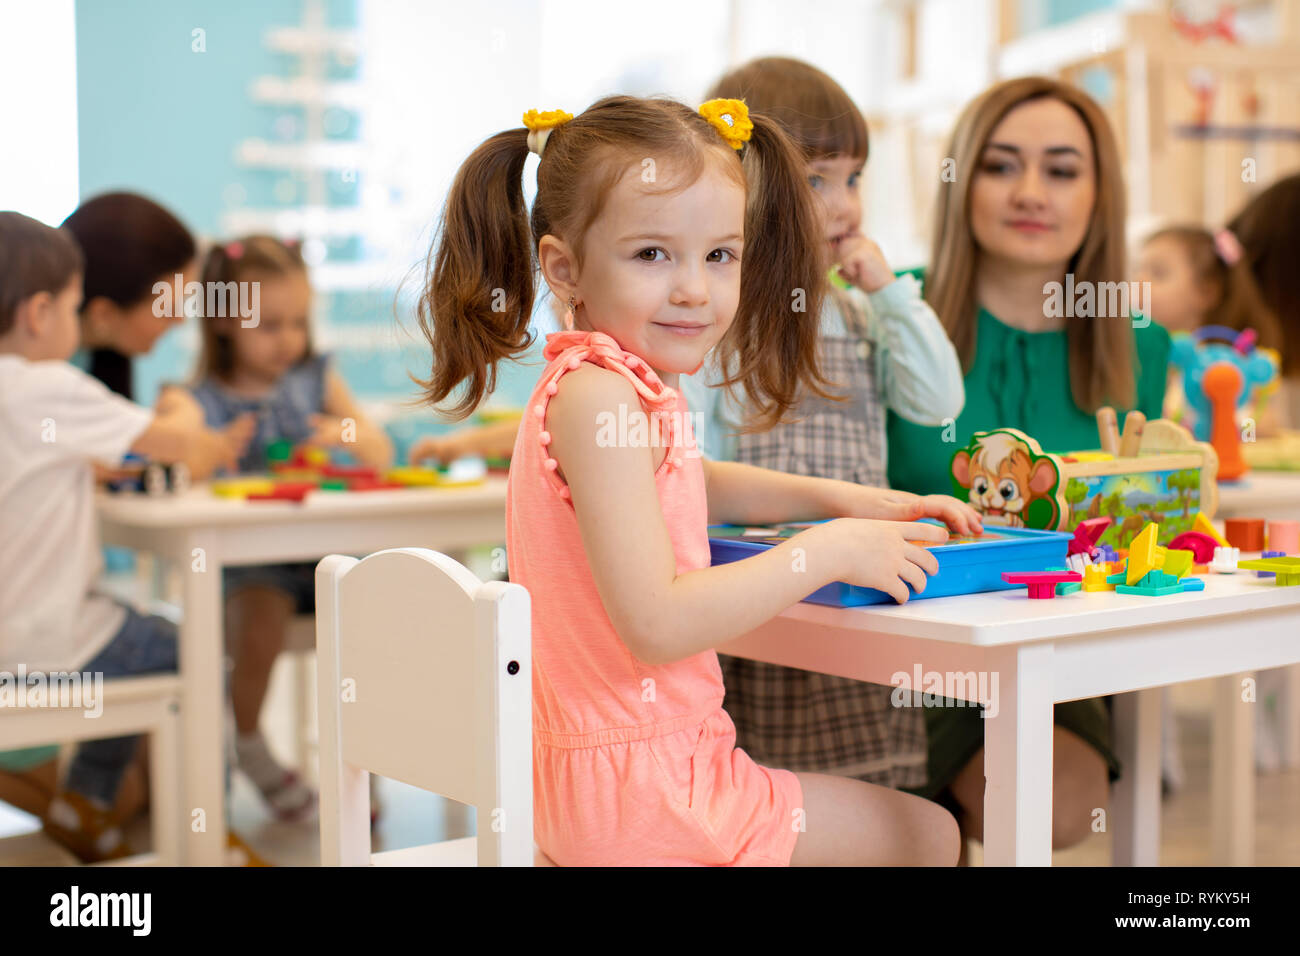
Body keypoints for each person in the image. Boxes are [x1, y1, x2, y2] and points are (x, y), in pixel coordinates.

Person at [417, 96, 982, 865]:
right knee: (930, 833)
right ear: (564, 267)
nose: (694, 289)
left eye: (720, 255)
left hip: (601, 781)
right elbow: (658, 621)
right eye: (653, 254)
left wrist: (844, 501)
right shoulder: (600, 395)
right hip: (648, 794)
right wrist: (829, 550)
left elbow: (693, 478)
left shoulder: (613, 382)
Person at [887, 77, 1172, 857]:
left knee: (1051, 808)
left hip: (1049, 648)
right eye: (1001, 165)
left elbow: (1141, 525)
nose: (1031, 193)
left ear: (1098, 192)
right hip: (891, 641)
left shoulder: (1138, 342)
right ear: (962, 181)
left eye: (1062, 169)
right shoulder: (890, 314)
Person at [680, 56, 966, 792]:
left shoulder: (864, 312)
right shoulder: (723, 320)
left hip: (866, 589)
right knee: (769, 785)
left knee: (875, 784)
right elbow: (695, 470)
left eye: (854, 179)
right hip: (766, 597)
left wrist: (895, 295)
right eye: (816, 180)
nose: (845, 205)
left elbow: (938, 404)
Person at [158, 235, 393, 820]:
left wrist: (338, 434)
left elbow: (379, 450)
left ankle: (362, 757)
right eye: (267, 325)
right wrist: (204, 446)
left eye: (297, 322)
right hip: (247, 565)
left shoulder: (316, 379)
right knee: (258, 621)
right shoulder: (198, 399)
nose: (287, 338)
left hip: (322, 556)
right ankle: (251, 744)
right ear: (222, 326)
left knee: (378, 612)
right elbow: (174, 453)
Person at [0, 211, 196, 861]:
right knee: (184, 642)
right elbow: (182, 445)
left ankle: (89, 804)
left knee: (136, 626)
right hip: (43, 647)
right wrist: (186, 412)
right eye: (72, 308)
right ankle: (108, 801)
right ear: (37, 313)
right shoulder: (48, 383)